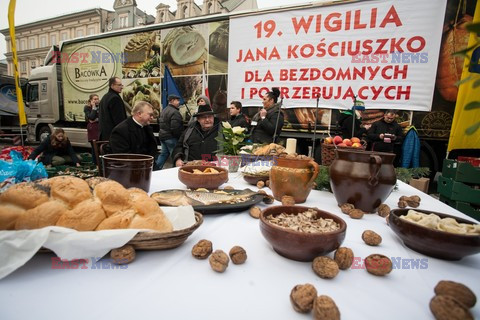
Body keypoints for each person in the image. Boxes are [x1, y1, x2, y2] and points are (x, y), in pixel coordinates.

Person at [156, 94, 184, 170]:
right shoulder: (175, 112)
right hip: (171, 138)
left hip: (163, 136)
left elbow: (159, 122)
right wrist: (180, 138)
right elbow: (175, 128)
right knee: (175, 156)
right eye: (177, 100)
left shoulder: (164, 110)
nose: (179, 102)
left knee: (163, 154)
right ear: (172, 101)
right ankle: (175, 171)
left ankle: (155, 169)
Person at [84, 94, 100, 164]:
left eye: (97, 99)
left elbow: (101, 118)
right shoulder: (87, 107)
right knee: (94, 147)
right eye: (95, 99)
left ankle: (99, 162)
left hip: (99, 127)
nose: (96, 101)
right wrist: (93, 108)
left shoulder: (100, 107)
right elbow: (91, 117)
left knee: (99, 146)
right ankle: (95, 163)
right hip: (92, 129)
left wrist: (96, 119)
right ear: (91, 100)